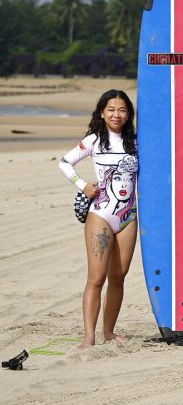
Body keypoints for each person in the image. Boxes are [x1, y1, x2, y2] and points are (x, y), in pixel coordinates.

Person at [58, 90, 139, 349]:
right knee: (96, 278)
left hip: (127, 216)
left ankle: (108, 332)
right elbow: (64, 163)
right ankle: (89, 336)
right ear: (102, 112)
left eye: (122, 110)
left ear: (129, 114)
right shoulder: (94, 141)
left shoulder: (136, 142)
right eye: (111, 109)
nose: (117, 114)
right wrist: (82, 185)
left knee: (119, 276)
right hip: (101, 215)